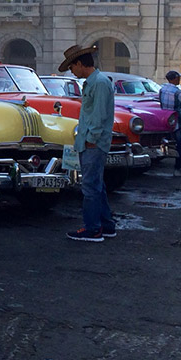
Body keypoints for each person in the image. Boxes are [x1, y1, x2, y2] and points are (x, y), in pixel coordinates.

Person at [59, 43, 117, 242]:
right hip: (90, 142)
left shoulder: (98, 83)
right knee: (96, 186)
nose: (72, 71)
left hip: (93, 143)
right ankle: (106, 225)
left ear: (79, 63)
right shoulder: (95, 82)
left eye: (72, 67)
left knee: (90, 187)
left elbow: (99, 115)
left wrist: (91, 139)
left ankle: (93, 228)